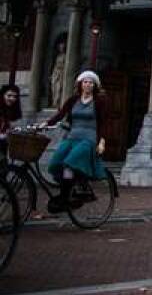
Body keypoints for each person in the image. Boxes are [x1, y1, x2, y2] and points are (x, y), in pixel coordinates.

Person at [42, 71, 108, 214]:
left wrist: (101, 141)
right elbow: (60, 114)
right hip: (72, 136)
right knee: (55, 163)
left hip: (88, 138)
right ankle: (72, 188)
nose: (88, 84)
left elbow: (103, 122)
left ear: (95, 85)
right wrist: (45, 124)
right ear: (80, 84)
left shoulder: (99, 101)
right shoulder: (73, 100)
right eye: (85, 82)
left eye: (91, 82)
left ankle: (64, 199)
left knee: (70, 163)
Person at [0, 83, 22, 157]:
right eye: (9, 96)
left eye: (15, 96)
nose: (12, 98)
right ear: (2, 95)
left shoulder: (8, 110)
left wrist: (12, 130)